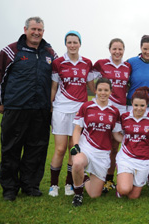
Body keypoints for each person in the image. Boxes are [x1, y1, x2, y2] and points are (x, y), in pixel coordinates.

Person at [0, 16, 57, 201]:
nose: (36, 33)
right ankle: (10, 189)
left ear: (44, 31)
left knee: (36, 149)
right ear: (25, 29)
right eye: (33, 29)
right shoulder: (11, 51)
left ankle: (30, 185)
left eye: (40, 30)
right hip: (16, 109)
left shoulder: (50, 53)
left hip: (41, 110)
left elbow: (58, 79)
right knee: (11, 149)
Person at [49, 30, 95, 197]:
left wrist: (102, 100)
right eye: (69, 42)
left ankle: (69, 183)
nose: (72, 45)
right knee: (60, 149)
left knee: (73, 148)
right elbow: (54, 86)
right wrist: (51, 105)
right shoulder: (58, 63)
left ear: (80, 44)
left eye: (75, 42)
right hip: (61, 109)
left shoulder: (87, 63)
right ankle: (53, 185)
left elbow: (91, 86)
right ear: (66, 44)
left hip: (79, 111)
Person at [70, 78, 122, 206]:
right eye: (100, 90)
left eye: (106, 90)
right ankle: (78, 194)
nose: (102, 93)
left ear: (110, 92)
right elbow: (77, 129)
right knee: (77, 163)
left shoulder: (114, 111)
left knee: (94, 194)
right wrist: (76, 145)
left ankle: (84, 178)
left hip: (103, 154)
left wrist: (129, 141)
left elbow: (116, 134)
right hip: (86, 148)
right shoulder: (86, 106)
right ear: (95, 91)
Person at [93, 38, 131, 194]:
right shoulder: (101, 63)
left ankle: (109, 179)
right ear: (109, 49)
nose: (117, 52)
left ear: (123, 50)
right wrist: (96, 96)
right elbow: (90, 78)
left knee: (115, 145)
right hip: (104, 107)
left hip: (121, 109)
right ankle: (97, 177)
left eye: (120, 49)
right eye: (114, 49)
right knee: (101, 143)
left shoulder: (128, 66)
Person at [115, 87, 149, 199]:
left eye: (142, 105)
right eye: (136, 105)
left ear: (147, 104)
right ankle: (121, 185)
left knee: (133, 196)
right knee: (124, 190)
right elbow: (116, 134)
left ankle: (129, 180)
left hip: (144, 159)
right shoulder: (124, 117)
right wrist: (127, 141)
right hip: (126, 157)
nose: (139, 108)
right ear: (132, 103)